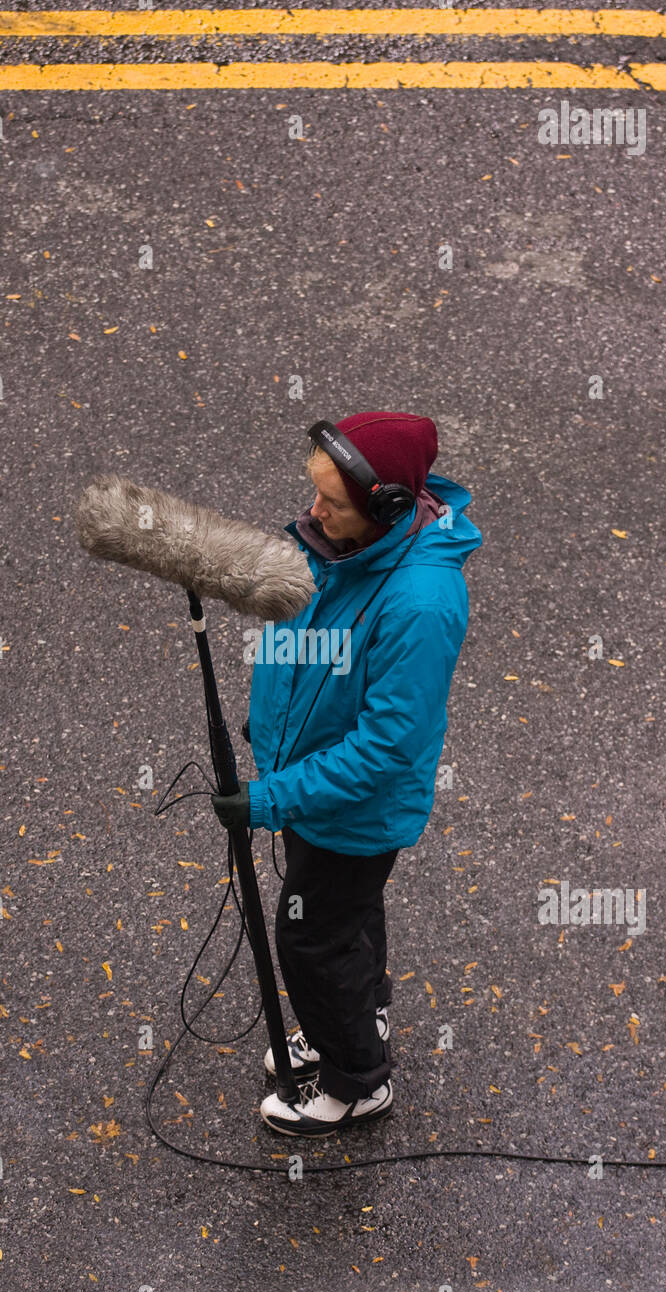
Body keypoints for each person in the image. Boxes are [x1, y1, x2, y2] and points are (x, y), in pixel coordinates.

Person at [210, 411, 482, 1137]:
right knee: (346, 917)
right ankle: (361, 1015)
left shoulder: (420, 603)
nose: (313, 510)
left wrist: (269, 797)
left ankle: (355, 1078)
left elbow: (385, 747)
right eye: (315, 491)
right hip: (312, 792)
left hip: (350, 809)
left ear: (388, 504)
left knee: (311, 938)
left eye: (331, 500)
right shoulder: (341, 547)